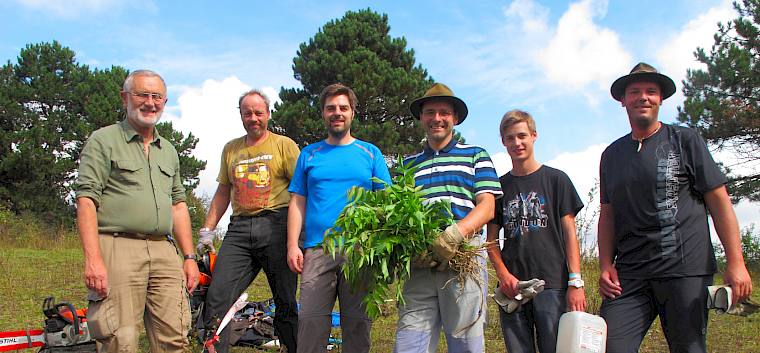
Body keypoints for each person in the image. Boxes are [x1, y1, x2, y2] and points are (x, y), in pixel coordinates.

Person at [598, 62, 754, 353]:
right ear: (623, 100)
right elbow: (607, 214)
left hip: (685, 270)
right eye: (635, 92)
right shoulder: (611, 155)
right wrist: (606, 264)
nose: (643, 97)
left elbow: (719, 201)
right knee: (608, 346)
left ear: (661, 99)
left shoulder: (685, 140)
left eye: (651, 91)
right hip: (630, 273)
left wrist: (736, 261)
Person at [73, 69, 199, 352]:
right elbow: (86, 200)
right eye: (142, 94)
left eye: (157, 97)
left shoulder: (168, 150)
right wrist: (93, 260)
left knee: (176, 336)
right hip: (117, 246)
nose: (150, 102)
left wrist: (189, 256)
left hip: (164, 251)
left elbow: (178, 204)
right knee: (120, 338)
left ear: (165, 102)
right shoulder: (103, 140)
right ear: (125, 98)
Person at [393, 83, 502, 353]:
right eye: (430, 112)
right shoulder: (408, 165)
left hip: (464, 260)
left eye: (444, 112)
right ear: (421, 118)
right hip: (420, 264)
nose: (437, 119)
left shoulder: (476, 154)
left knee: (465, 341)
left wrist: (455, 234)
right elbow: (398, 213)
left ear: (454, 118)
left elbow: (487, 207)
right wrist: (411, 247)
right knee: (409, 343)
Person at [286, 83, 392, 353]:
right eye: (331, 108)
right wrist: (292, 245)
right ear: (323, 113)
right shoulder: (309, 154)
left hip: (360, 251)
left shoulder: (371, 153)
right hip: (318, 249)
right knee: (310, 323)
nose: (337, 113)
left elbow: (387, 200)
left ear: (353, 112)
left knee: (357, 327)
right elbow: (298, 201)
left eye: (343, 108)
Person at [198, 89, 300, 353]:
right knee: (218, 296)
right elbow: (223, 191)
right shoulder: (231, 149)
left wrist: (300, 236)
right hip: (239, 230)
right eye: (247, 113)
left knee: (285, 301)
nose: (253, 118)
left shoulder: (283, 145)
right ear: (241, 116)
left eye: (258, 112)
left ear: (267, 114)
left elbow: (302, 189)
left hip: (277, 225)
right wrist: (207, 230)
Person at [486, 110, 586, 353]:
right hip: (514, 287)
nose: (517, 143)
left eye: (522, 136)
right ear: (503, 142)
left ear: (534, 136)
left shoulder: (556, 180)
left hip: (552, 284)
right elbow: (490, 241)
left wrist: (576, 282)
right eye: (510, 138)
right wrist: (504, 276)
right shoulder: (498, 188)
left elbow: (570, 234)